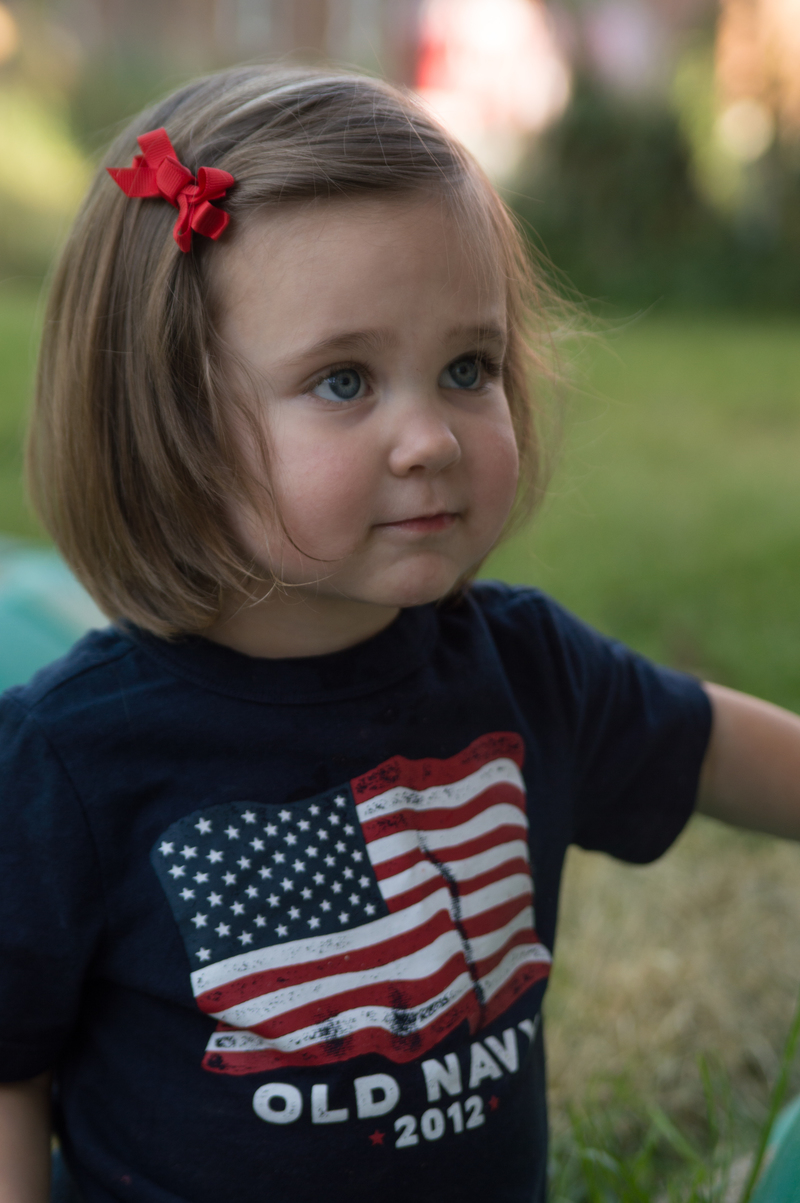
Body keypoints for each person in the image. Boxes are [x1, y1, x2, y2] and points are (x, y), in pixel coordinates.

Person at [0, 64, 799, 1203]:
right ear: (169, 423)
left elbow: (709, 747)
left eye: (468, 368)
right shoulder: (69, 760)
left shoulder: (522, 668)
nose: (430, 438)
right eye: (344, 381)